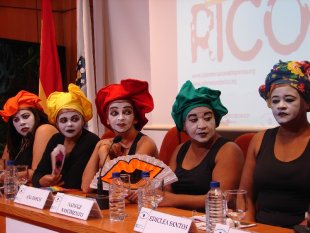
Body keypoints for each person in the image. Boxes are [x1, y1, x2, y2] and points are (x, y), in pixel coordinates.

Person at [239, 60, 310, 228]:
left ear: (307, 103)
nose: (281, 106)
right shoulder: (259, 140)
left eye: (289, 99)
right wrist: (250, 226)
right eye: (275, 101)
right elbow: (245, 196)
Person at [159, 80, 244, 212]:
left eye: (208, 118)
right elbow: (166, 190)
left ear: (215, 121)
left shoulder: (228, 150)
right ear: (184, 125)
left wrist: (172, 199)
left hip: (213, 221)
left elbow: (222, 199)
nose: (202, 125)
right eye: (193, 120)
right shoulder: (180, 149)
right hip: (179, 218)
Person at [81, 78, 158, 193]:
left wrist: (103, 154)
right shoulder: (106, 142)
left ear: (135, 118)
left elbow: (121, 189)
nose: (121, 118)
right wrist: (98, 146)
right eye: (114, 113)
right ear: (107, 119)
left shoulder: (146, 143)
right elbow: (86, 187)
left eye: (127, 112)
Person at [32, 84, 100, 189]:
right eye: (63, 120)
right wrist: (43, 180)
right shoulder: (55, 139)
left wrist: (54, 180)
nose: (69, 124)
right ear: (57, 124)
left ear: (83, 121)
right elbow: (37, 175)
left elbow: (74, 182)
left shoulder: (91, 140)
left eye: (74, 119)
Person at [0, 90, 58, 180]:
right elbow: (3, 167)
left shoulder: (44, 129)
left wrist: (3, 176)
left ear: (36, 115)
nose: (21, 123)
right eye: (16, 120)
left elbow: (36, 173)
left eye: (25, 116)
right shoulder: (17, 138)